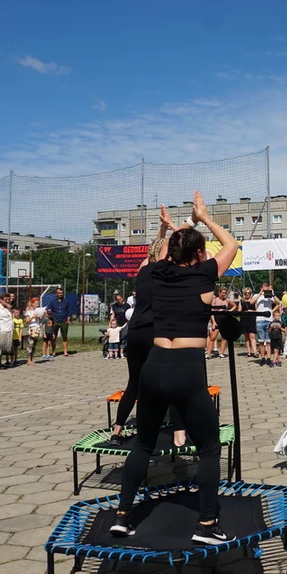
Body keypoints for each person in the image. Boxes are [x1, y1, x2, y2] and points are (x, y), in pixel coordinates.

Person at [112, 191, 240, 543]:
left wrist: (179, 226)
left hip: (154, 367)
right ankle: (207, 525)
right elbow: (231, 243)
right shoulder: (203, 276)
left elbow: (169, 249)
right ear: (199, 255)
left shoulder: (155, 273)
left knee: (143, 445)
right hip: (186, 368)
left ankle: (123, 516)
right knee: (210, 448)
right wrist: (204, 217)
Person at [112, 207, 186, 446]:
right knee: (171, 382)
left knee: (134, 383)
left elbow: (153, 249)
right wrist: (175, 226)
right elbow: (179, 243)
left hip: (135, 332)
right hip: (155, 330)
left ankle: (116, 432)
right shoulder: (166, 270)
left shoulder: (143, 270)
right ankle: (179, 434)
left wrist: (162, 227)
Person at [0, 293, 14, 370]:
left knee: (3, 348)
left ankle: (0, 363)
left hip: (8, 330)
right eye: (5, 299)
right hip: (1, 331)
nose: (7, 300)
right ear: (1, 300)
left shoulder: (7, 308)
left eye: (8, 299)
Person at [49, 287, 73, 357]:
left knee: (64, 336)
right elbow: (49, 309)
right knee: (54, 337)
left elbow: (69, 311)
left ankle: (65, 351)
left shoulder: (67, 301)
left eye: (62, 293)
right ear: (56, 293)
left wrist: (68, 320)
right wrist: (50, 316)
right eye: (59, 293)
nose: (60, 294)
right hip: (55, 321)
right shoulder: (52, 301)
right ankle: (53, 351)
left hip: (64, 321)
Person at [239, 288, 258, 358]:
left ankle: (255, 352)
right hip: (244, 319)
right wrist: (244, 312)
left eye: (249, 293)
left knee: (252, 336)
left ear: (251, 293)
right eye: (246, 293)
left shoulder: (253, 301)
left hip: (251, 319)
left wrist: (251, 311)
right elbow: (239, 311)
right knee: (246, 336)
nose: (247, 294)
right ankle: (249, 351)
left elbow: (257, 310)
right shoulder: (241, 301)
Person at [24, 298, 43, 365]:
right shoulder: (29, 312)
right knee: (30, 345)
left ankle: (32, 358)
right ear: (32, 304)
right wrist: (33, 317)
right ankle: (28, 360)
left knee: (34, 345)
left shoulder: (37, 311)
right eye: (36, 304)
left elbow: (40, 321)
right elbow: (26, 321)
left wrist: (40, 317)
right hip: (32, 329)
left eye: (38, 304)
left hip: (37, 329)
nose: (37, 305)